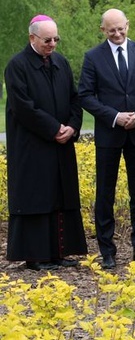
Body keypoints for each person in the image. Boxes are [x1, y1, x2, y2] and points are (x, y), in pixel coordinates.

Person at [4, 14, 87, 271]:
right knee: (37, 196)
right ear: (32, 38)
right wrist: (53, 128)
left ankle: (59, 253)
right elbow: (23, 107)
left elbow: (75, 99)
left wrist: (72, 127)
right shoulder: (17, 66)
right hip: (33, 145)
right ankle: (36, 256)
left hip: (61, 144)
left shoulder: (60, 62)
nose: (52, 44)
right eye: (47, 40)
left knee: (60, 195)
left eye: (56, 39)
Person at [78, 8, 135, 270]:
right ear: (103, 30)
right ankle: (107, 250)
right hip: (109, 135)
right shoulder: (93, 57)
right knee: (105, 194)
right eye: (112, 30)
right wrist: (115, 116)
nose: (118, 33)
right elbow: (86, 96)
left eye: (121, 28)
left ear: (128, 25)